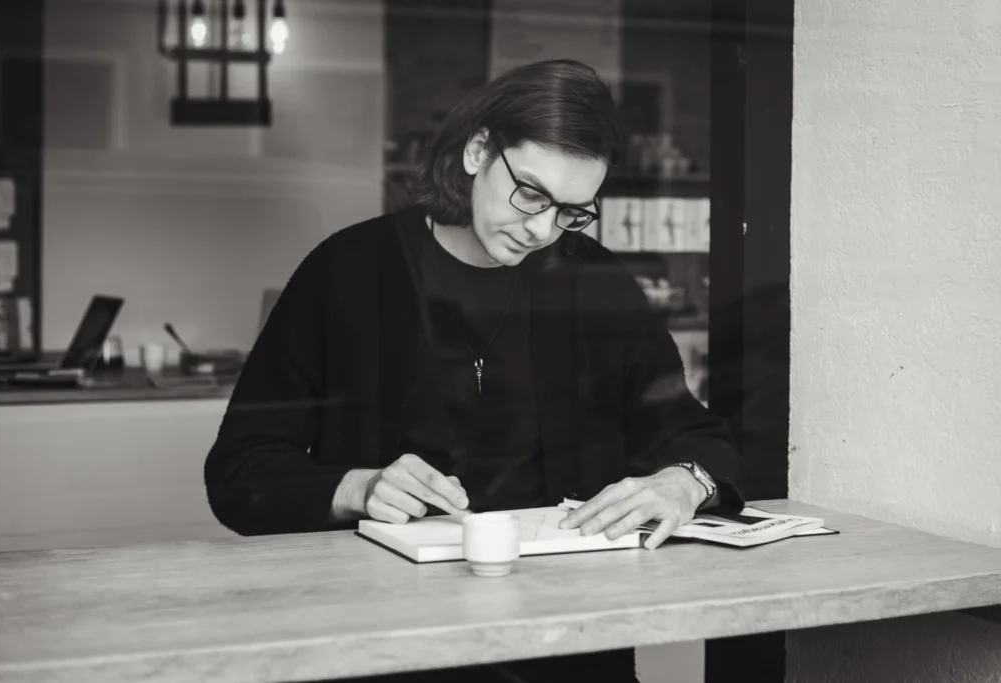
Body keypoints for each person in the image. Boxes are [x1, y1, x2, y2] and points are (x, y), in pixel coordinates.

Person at [204, 59, 746, 683]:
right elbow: (238, 474)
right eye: (531, 194)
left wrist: (684, 482)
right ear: (478, 151)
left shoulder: (593, 283)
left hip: (568, 645)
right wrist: (358, 487)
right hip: (385, 645)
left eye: (572, 211)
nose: (543, 229)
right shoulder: (348, 273)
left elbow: (698, 436)